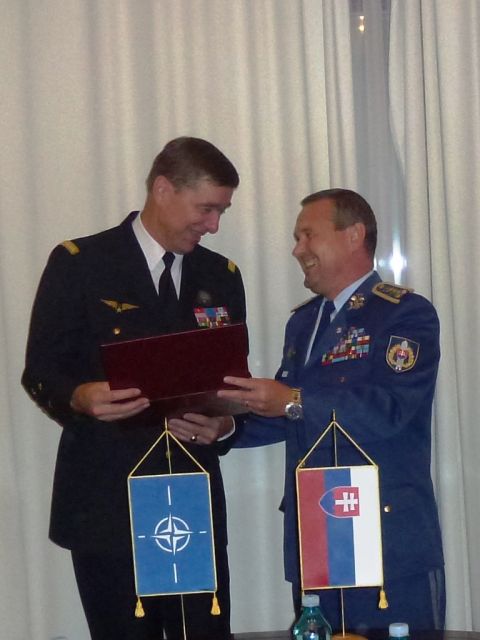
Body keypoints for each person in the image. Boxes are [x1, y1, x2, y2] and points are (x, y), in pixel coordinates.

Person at [22, 137, 245, 640]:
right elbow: (41, 369)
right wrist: (80, 397)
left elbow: (233, 383)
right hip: (107, 500)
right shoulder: (81, 263)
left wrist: (225, 424)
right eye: (206, 209)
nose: (214, 225)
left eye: (221, 211)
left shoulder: (221, 275)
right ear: (163, 189)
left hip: (190, 500)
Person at [212, 188, 445, 633]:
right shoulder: (304, 322)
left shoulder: (405, 314)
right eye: (297, 238)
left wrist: (292, 400)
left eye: (307, 235)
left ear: (353, 235)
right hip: (318, 534)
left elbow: (391, 409)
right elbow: (289, 414)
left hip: (386, 536)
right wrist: (221, 428)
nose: (297, 250)